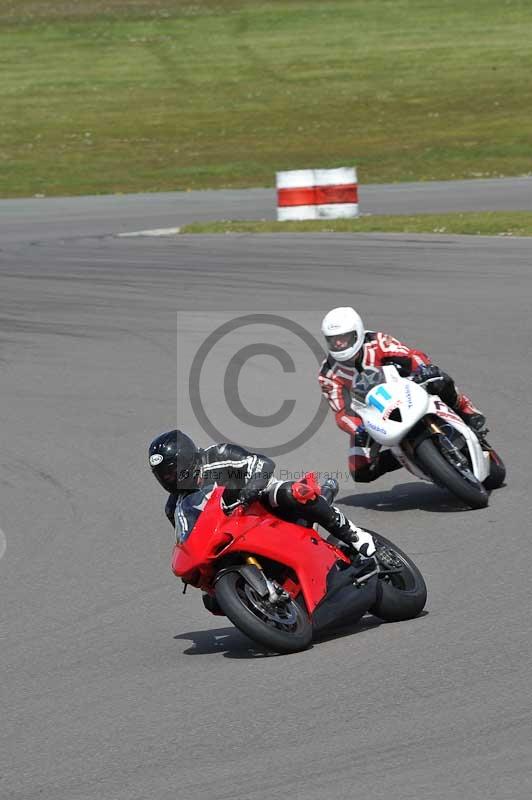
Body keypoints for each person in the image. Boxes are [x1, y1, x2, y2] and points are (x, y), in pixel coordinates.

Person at [148, 429, 377, 560]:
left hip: (258, 502)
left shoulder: (217, 456)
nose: (170, 479)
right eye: (164, 476)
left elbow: (262, 464)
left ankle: (353, 534)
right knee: (213, 601)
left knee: (292, 492)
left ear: (187, 459)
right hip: (228, 532)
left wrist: (249, 491)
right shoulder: (174, 507)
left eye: (172, 471)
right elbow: (187, 539)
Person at [319, 306, 486, 483]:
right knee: (360, 471)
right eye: (333, 340)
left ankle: (466, 409)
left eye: (343, 338)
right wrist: (358, 429)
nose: (338, 344)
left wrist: (423, 368)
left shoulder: (378, 341)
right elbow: (342, 412)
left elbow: (411, 356)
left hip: (406, 389)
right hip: (374, 416)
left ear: (357, 334)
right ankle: (404, 455)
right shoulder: (327, 374)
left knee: (439, 379)